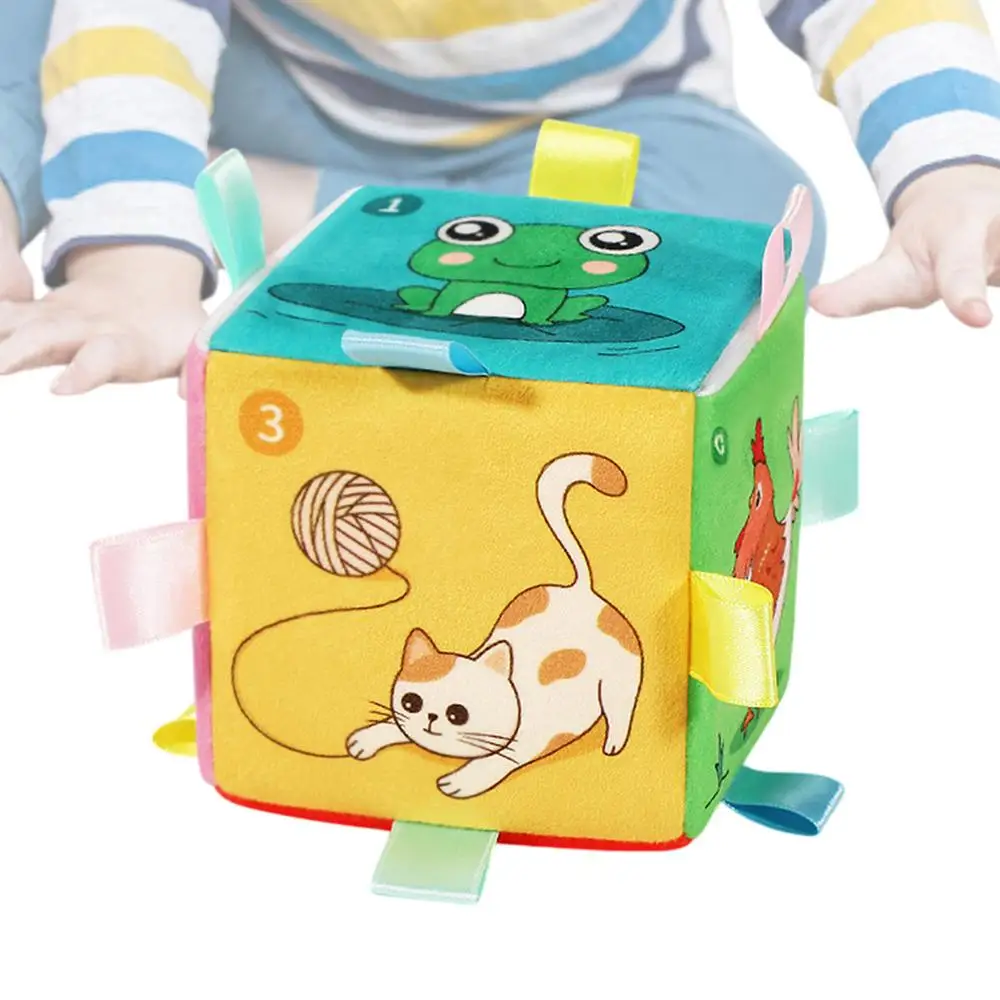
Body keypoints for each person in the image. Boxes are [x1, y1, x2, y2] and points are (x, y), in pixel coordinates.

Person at [1, 0, 999, 394]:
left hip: (592, 125)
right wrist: (132, 264)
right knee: (47, 32)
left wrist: (952, 172)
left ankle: (274, 206)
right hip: (286, 87)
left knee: (748, 231)